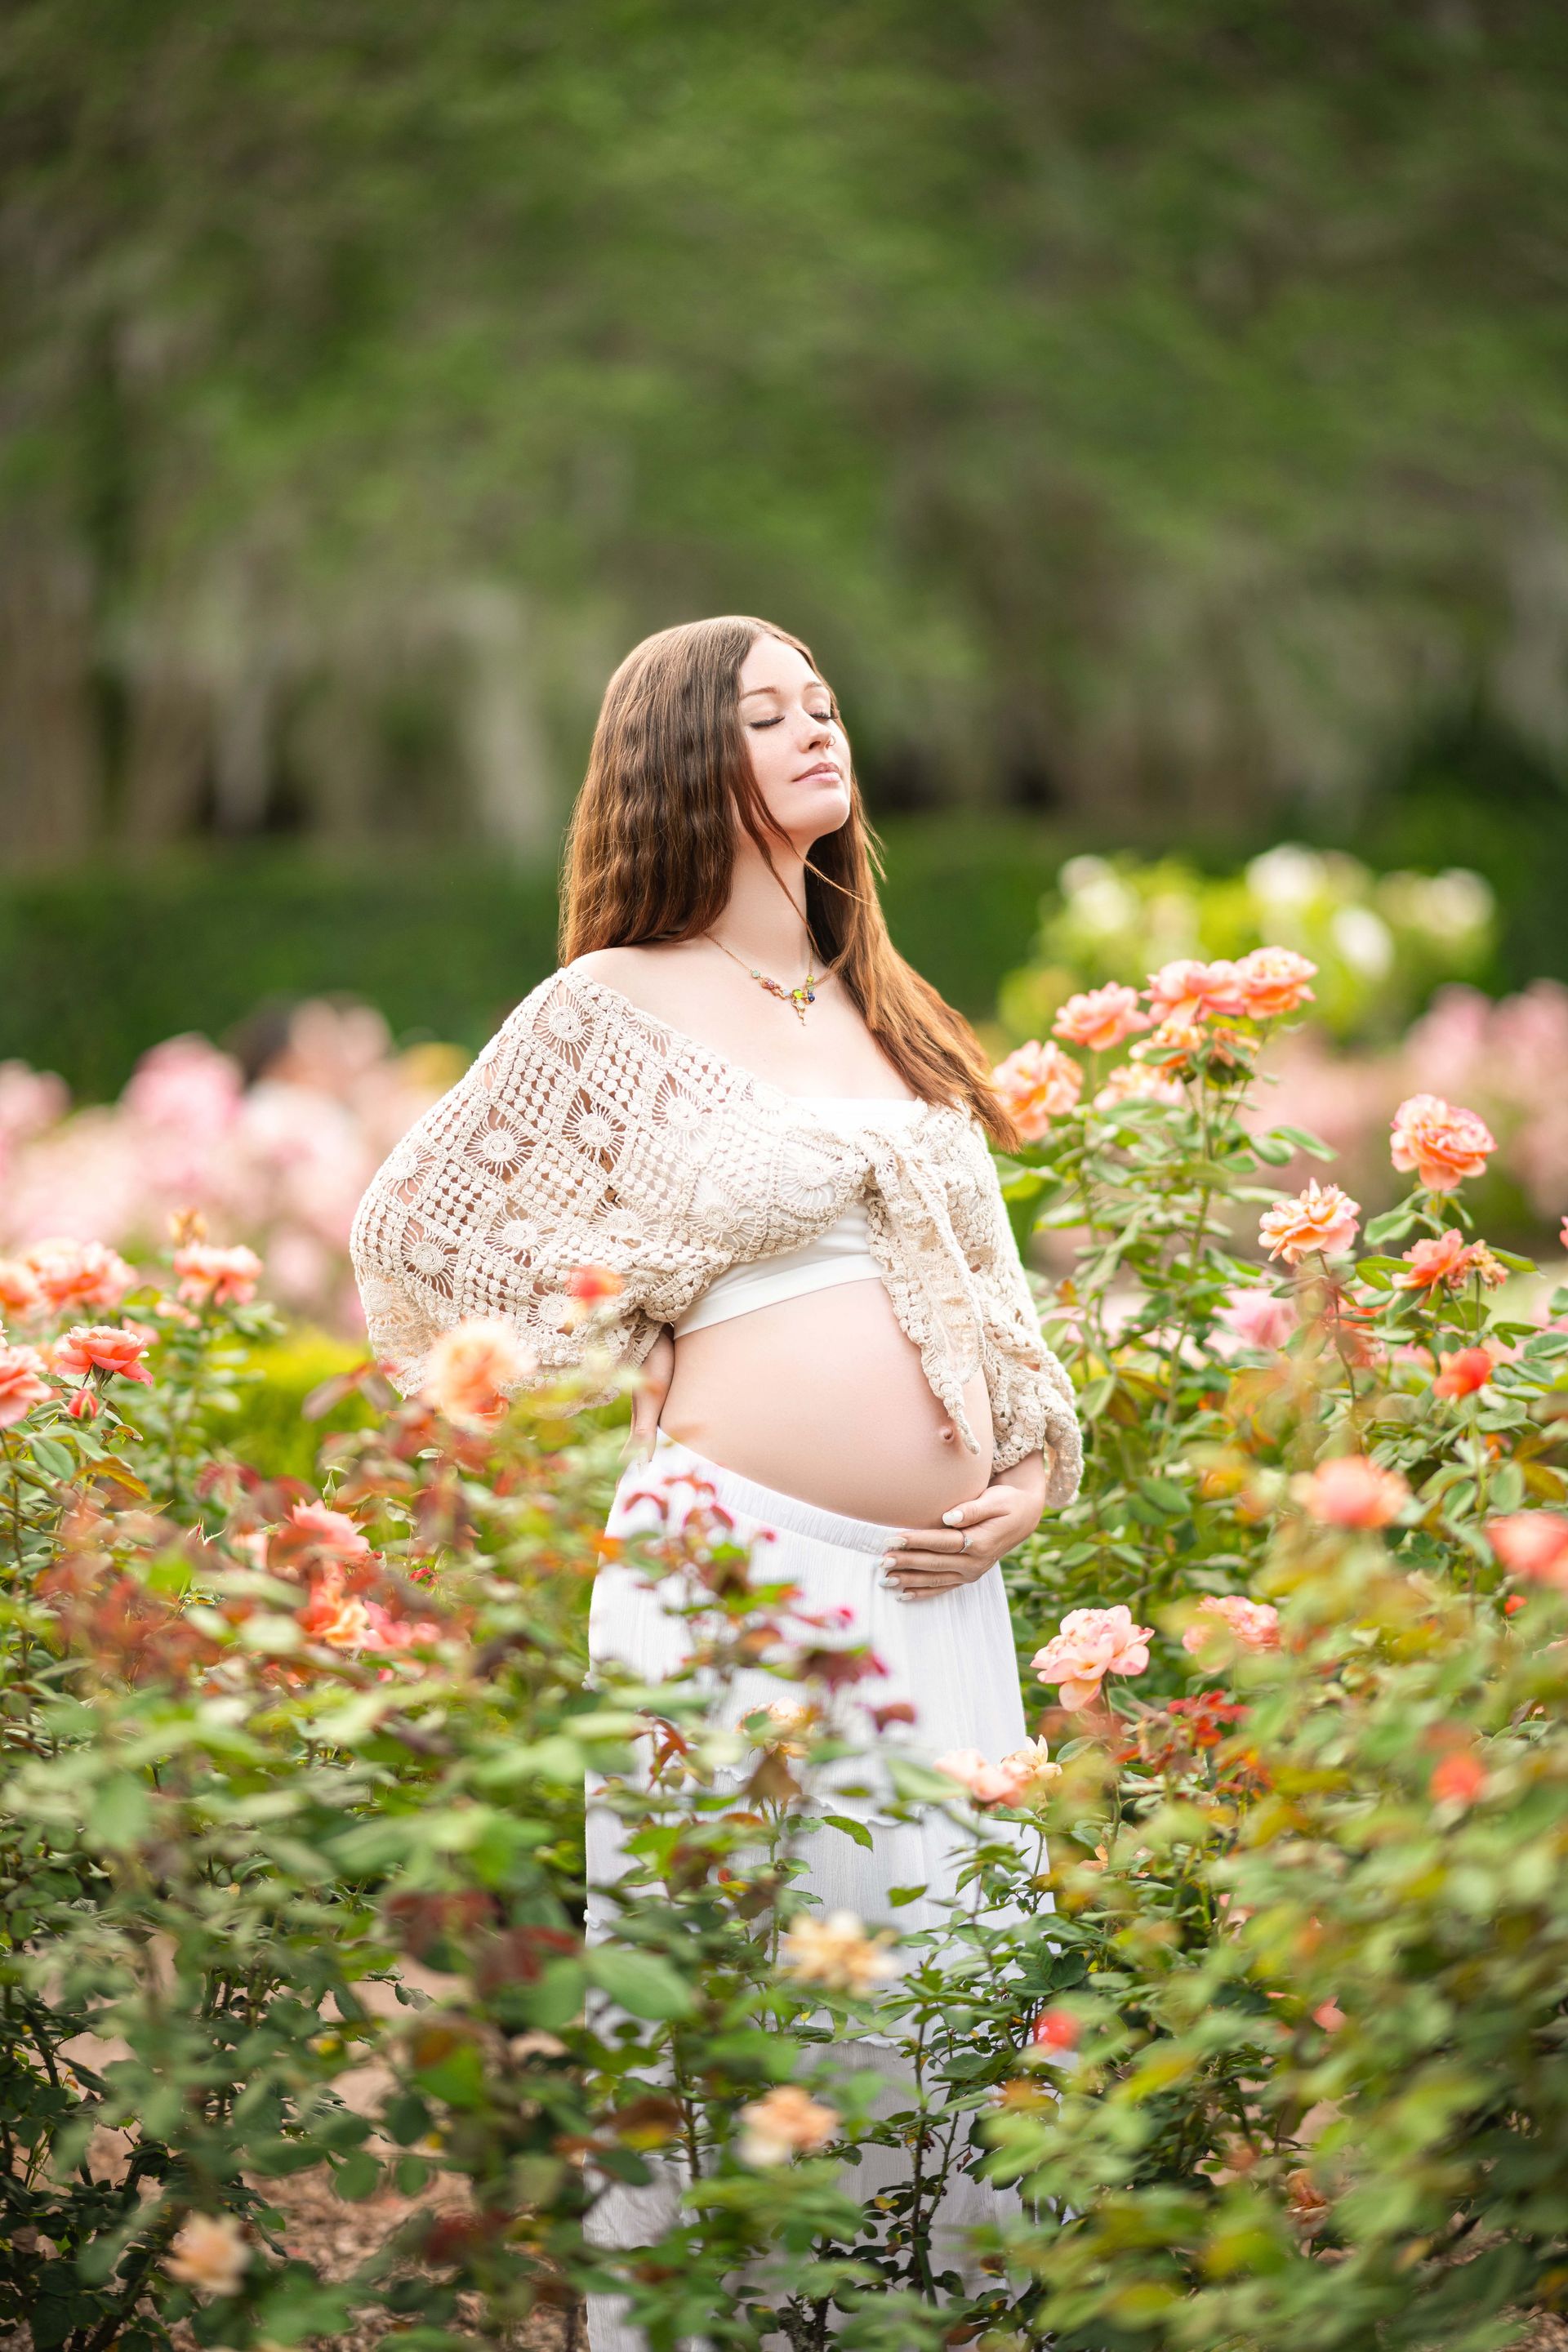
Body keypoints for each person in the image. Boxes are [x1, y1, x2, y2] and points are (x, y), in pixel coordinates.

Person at [350, 616, 1080, 2347]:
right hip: (735, 1578)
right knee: (755, 2011)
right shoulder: (612, 1006)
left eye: (825, 698)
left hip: (935, 1592)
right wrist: (624, 1355)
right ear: (686, 758)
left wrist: (1033, 1470)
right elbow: (411, 1241)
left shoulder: (874, 996)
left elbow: (992, 1292)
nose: (816, 725)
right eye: (767, 710)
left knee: (947, 1994)